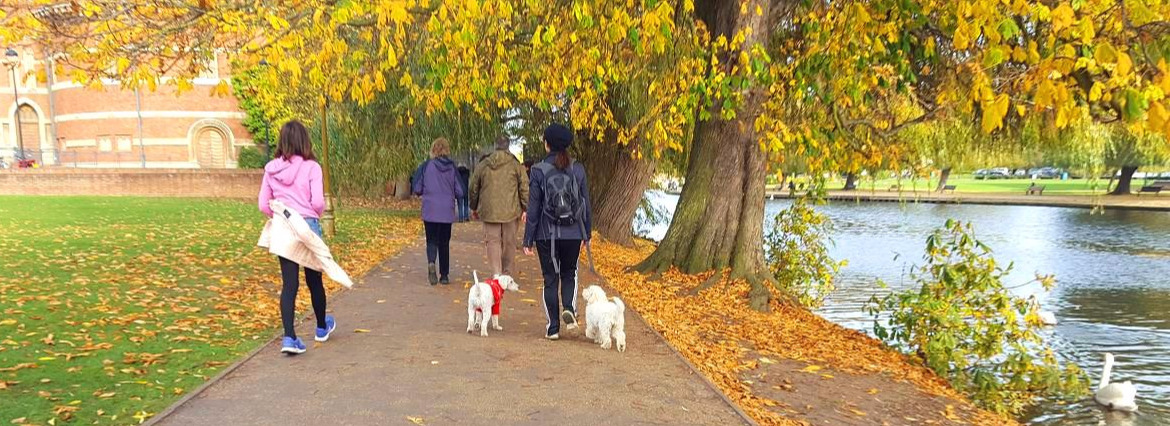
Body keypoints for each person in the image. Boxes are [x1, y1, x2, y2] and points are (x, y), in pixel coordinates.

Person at [258, 120, 336, 355]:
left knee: (289, 284)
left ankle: (290, 337)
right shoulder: (312, 167)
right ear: (304, 140)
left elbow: (263, 204)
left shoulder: (271, 169)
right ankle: (321, 327)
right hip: (307, 224)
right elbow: (318, 201)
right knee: (314, 280)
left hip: (283, 225)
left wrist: (279, 215)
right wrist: (313, 214)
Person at [523, 124, 591, 340]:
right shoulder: (577, 169)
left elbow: (533, 207)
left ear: (547, 144)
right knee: (569, 273)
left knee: (550, 279)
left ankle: (552, 327)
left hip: (546, 234)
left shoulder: (538, 170)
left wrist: (528, 239)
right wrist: (586, 233)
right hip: (573, 233)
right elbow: (585, 204)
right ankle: (569, 308)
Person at [469, 136, 529, 278]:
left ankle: (496, 273)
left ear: (495, 145)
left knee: (492, 241)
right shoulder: (516, 165)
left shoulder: (484, 164)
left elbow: (473, 187)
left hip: (489, 210)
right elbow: (524, 187)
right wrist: (525, 207)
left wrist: (474, 206)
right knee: (509, 242)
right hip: (511, 210)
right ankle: (507, 273)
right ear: (508, 146)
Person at [412, 138, 463, 285]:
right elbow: (460, 190)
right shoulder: (452, 167)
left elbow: (417, 188)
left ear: (433, 149)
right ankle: (444, 276)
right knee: (444, 243)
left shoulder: (426, 166)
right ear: (447, 149)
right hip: (446, 210)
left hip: (430, 209)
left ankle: (431, 262)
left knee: (431, 240)